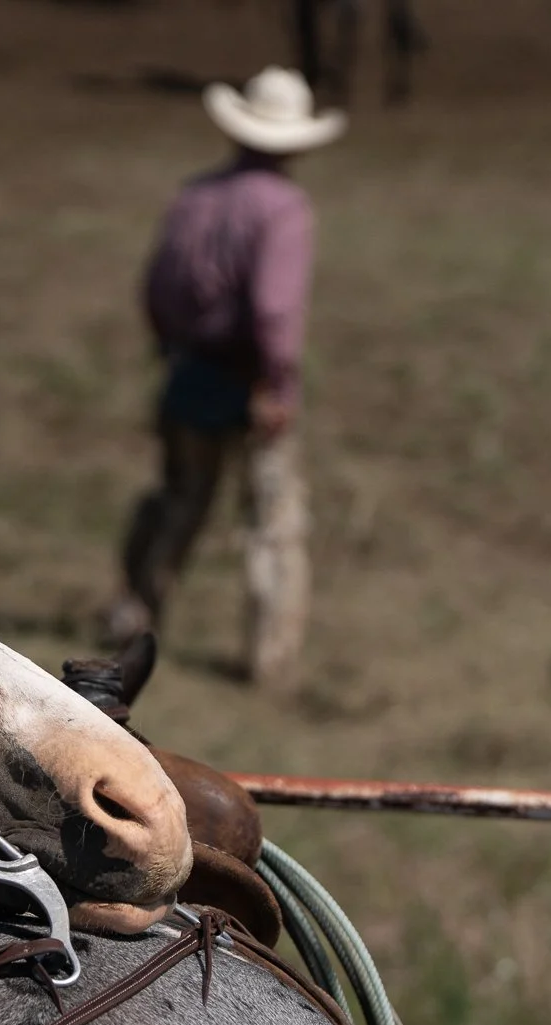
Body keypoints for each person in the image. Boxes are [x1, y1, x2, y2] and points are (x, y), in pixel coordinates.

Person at [104, 67, 345, 691]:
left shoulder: (195, 196)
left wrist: (170, 347)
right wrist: (277, 385)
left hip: (190, 370)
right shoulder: (285, 208)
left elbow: (155, 288)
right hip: (247, 378)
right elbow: (274, 308)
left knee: (179, 501)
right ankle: (270, 658)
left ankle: (138, 618)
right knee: (271, 520)